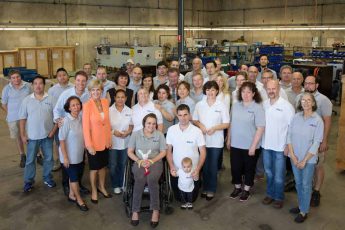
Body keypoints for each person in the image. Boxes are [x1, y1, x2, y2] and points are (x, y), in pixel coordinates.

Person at [295, 75, 332, 207]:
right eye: (306, 83)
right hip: (301, 142)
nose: (308, 86)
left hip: (316, 141)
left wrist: (324, 141)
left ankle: (316, 191)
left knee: (318, 166)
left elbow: (327, 121)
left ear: (317, 85)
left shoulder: (324, 100)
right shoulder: (300, 98)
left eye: (311, 83)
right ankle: (305, 192)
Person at [287, 92, 324, 223]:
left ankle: (304, 211)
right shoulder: (295, 117)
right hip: (295, 157)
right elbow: (289, 136)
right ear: (300, 102)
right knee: (298, 183)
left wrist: (304, 160)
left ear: (313, 103)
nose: (306, 102)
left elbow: (316, 143)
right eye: (303, 100)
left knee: (306, 184)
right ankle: (301, 205)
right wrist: (292, 155)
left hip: (308, 160)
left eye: (309, 100)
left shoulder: (317, 120)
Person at [227, 81, 265, 201]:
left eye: (249, 92)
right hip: (235, 144)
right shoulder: (236, 105)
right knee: (235, 168)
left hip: (250, 145)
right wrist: (229, 139)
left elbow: (260, 128)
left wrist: (253, 146)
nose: (246, 94)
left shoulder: (258, 108)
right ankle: (237, 187)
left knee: (249, 169)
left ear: (254, 93)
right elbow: (231, 123)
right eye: (243, 91)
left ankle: (246, 190)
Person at [53, 71, 90, 196]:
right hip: (67, 130)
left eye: (83, 81)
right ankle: (66, 186)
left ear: (86, 82)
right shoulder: (66, 94)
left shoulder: (87, 95)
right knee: (66, 160)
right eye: (78, 80)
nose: (81, 83)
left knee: (79, 159)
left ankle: (78, 184)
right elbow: (57, 110)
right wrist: (59, 121)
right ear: (75, 81)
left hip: (80, 130)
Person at [19, 75, 58, 192]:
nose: (38, 86)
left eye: (40, 83)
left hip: (47, 136)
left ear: (44, 85)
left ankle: (47, 177)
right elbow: (22, 119)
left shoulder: (51, 99)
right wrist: (22, 135)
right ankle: (29, 181)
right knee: (30, 160)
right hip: (32, 137)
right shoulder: (26, 100)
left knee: (49, 158)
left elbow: (57, 118)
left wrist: (53, 131)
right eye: (35, 83)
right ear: (32, 85)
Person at [127, 113, 167, 228]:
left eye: (154, 123)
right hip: (139, 162)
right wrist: (139, 161)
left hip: (155, 162)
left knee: (152, 178)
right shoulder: (135, 135)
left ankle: (155, 210)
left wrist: (152, 161)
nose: (151, 125)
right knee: (139, 178)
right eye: (149, 123)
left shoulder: (159, 135)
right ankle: (135, 210)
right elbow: (130, 151)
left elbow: (163, 152)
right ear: (144, 123)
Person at [193, 81, 230, 200]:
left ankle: (211, 189)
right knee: (204, 165)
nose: (210, 92)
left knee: (213, 166)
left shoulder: (221, 105)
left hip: (216, 141)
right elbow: (195, 120)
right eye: (208, 90)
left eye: (213, 90)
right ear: (205, 91)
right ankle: (204, 187)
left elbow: (226, 124)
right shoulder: (200, 105)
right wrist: (201, 126)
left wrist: (214, 128)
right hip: (202, 141)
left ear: (217, 91)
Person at [261, 80, 295, 209]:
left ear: (278, 88)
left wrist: (288, 145)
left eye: (273, 88)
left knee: (279, 175)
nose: (271, 91)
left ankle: (279, 197)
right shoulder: (264, 105)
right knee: (269, 173)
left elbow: (292, 128)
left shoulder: (287, 106)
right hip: (266, 146)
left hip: (280, 147)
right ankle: (270, 194)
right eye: (268, 88)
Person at [167, 104, 206, 202]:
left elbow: (203, 152)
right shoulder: (171, 130)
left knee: (192, 199)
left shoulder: (197, 131)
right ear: (177, 116)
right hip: (177, 170)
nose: (183, 118)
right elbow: (168, 151)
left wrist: (198, 169)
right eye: (180, 115)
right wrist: (171, 167)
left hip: (193, 171)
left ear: (189, 115)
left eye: (185, 115)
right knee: (179, 199)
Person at [83, 79, 112, 204]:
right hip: (93, 144)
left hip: (105, 142)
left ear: (101, 91)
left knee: (103, 167)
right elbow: (85, 127)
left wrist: (109, 140)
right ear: (89, 92)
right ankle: (94, 190)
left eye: (98, 89)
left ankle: (102, 187)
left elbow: (107, 123)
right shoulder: (87, 105)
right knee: (94, 169)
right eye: (93, 90)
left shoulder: (105, 102)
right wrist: (89, 145)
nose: (96, 92)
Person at [59, 96, 88, 211]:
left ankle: (71, 195)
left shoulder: (80, 118)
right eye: (73, 105)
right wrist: (65, 157)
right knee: (74, 178)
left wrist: (84, 154)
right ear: (69, 108)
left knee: (73, 177)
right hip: (69, 157)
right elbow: (61, 140)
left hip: (79, 155)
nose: (76, 107)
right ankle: (79, 199)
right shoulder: (66, 121)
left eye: (78, 104)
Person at [1, 69, 32, 168]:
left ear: (20, 76)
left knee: (31, 136)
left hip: (27, 117)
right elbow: (4, 104)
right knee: (18, 137)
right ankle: (22, 155)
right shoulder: (6, 89)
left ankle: (37, 154)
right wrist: (11, 113)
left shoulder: (27, 86)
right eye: (13, 78)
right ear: (10, 79)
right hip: (13, 118)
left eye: (17, 77)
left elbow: (33, 98)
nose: (16, 79)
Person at [48, 67, 74, 171]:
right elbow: (50, 107)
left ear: (68, 76)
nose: (62, 77)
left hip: (71, 120)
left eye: (64, 75)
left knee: (71, 141)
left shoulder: (73, 88)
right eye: (59, 75)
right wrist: (56, 120)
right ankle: (59, 160)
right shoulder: (52, 90)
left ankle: (72, 159)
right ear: (57, 77)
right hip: (58, 122)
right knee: (59, 142)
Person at [109, 89, 133, 194]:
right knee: (113, 165)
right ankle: (115, 185)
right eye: (118, 97)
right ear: (114, 98)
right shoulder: (109, 110)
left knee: (123, 164)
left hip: (125, 142)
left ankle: (123, 183)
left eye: (122, 97)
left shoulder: (130, 111)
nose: (120, 99)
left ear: (126, 98)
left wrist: (128, 131)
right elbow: (105, 126)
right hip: (113, 143)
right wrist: (114, 132)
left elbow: (132, 125)